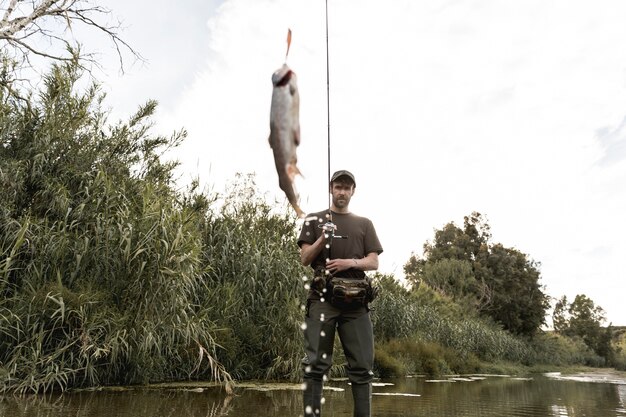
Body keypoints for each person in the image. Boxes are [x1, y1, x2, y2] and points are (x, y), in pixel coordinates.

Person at [297, 170, 383, 417]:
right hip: (322, 300)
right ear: (331, 189)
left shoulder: (364, 224)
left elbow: (373, 262)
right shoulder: (314, 220)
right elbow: (304, 258)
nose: (342, 191)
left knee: (362, 368)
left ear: (353, 191)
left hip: (357, 305)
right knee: (314, 366)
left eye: (347, 187)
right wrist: (323, 237)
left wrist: (350, 263)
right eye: (338, 187)